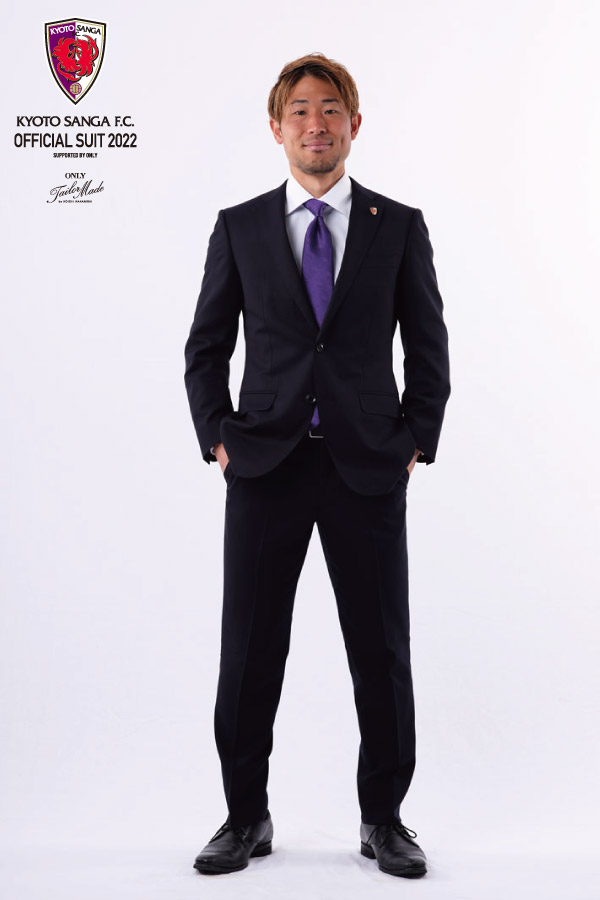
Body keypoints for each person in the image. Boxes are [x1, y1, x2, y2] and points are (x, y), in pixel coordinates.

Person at [184, 52, 450, 879]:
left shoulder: (396, 226)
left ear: (354, 124)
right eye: (299, 110)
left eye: (330, 108)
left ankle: (384, 820)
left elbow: (429, 348)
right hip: (264, 467)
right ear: (277, 128)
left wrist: (414, 440)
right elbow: (204, 349)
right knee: (249, 650)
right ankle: (244, 816)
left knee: (381, 651)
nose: (315, 123)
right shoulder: (240, 227)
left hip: (367, 467)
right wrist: (219, 437)